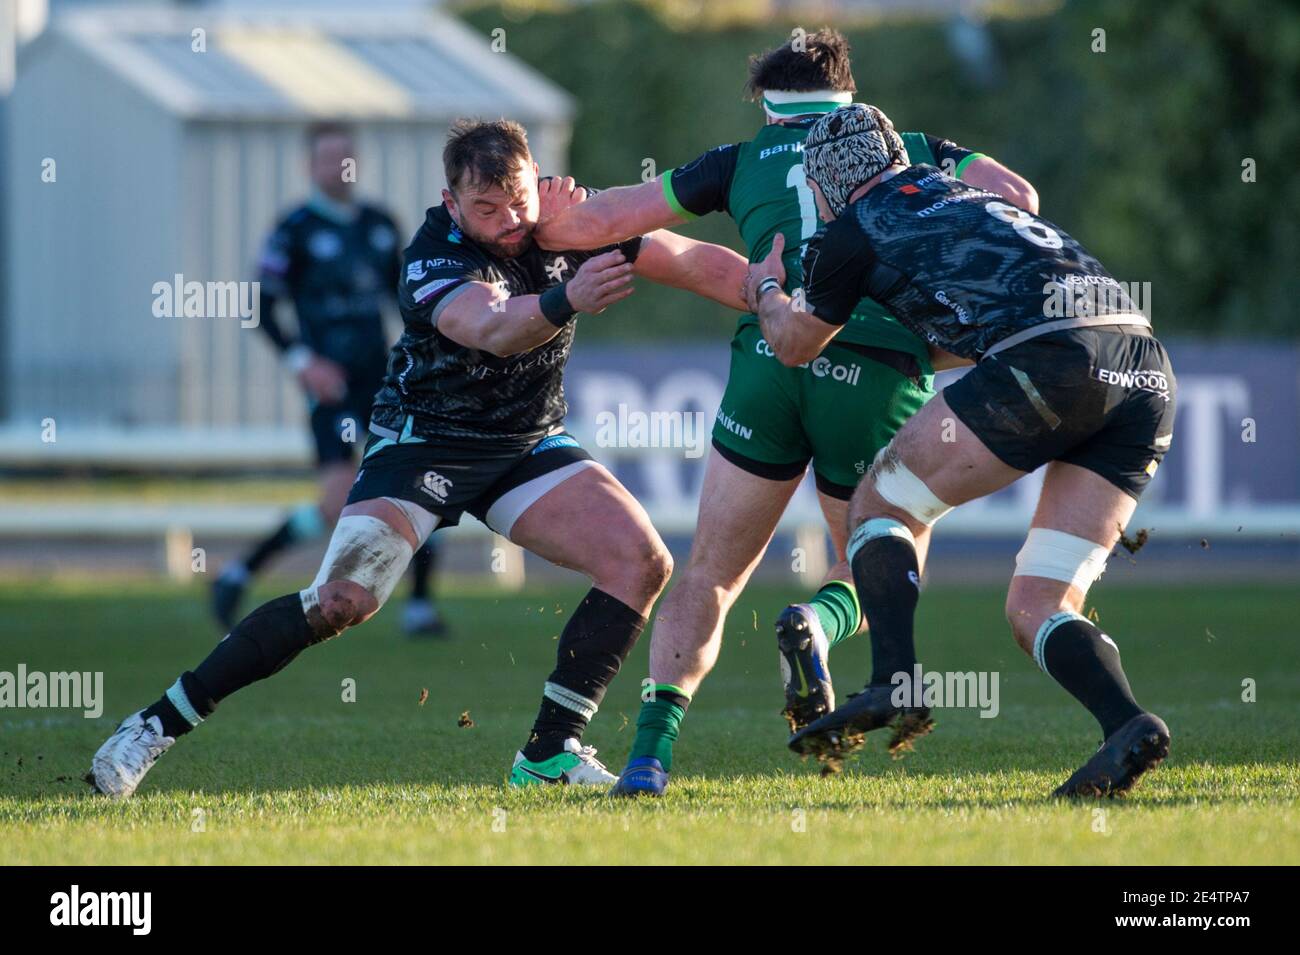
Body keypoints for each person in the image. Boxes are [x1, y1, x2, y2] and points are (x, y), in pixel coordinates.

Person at [89, 118, 753, 797]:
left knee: (640, 559)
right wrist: (564, 298)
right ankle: (153, 725)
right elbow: (494, 328)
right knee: (343, 600)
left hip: (524, 443)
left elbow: (689, 260)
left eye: (519, 199)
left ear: (536, 179)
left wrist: (766, 290)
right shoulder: (433, 255)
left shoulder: (571, 220)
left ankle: (549, 752)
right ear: (451, 202)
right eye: (487, 209)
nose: (510, 220)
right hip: (425, 439)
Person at [534, 28, 1037, 796]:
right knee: (878, 556)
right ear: (850, 91)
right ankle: (817, 624)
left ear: (767, 104)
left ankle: (649, 754)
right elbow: (1018, 198)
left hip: (767, 367)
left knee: (709, 573)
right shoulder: (904, 144)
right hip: (873, 364)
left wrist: (545, 207)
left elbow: (600, 224)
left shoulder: (735, 161)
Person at [747, 103, 1175, 797]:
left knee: (879, 502)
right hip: (1143, 365)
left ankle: (898, 681)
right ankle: (1127, 722)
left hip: (1048, 357)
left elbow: (796, 343)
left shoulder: (849, 229)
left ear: (823, 184)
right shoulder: (967, 193)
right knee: (1038, 601)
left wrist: (764, 287)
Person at [212, 122, 445, 637]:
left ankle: (420, 607)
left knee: (419, 480)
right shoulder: (293, 229)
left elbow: (406, 301)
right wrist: (303, 362)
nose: (338, 167)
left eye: (346, 157)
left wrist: (428, 355)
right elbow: (262, 307)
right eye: (327, 158)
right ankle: (239, 573)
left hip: (385, 382)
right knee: (337, 501)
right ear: (309, 166)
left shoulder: (380, 224)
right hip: (333, 388)